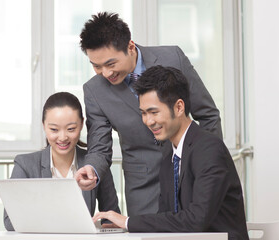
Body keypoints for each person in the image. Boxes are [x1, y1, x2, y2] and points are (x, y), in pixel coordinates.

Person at [75, 12, 223, 216]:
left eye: (110, 64)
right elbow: (99, 147)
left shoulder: (173, 58)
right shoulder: (94, 91)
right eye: (96, 66)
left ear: (130, 46)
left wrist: (208, 164)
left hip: (192, 174)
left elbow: (208, 115)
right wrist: (91, 168)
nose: (106, 73)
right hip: (144, 188)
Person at [93, 66, 249, 240]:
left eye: (154, 112)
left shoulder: (209, 149)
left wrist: (129, 222)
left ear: (179, 107)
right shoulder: (170, 157)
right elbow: (166, 219)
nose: (148, 121)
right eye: (143, 113)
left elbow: (196, 221)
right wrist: (129, 227)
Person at [4, 92, 120, 231]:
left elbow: (112, 218)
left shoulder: (95, 165)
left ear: (82, 124)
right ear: (44, 126)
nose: (63, 137)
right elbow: (10, 222)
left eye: (71, 129)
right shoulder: (25, 165)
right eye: (54, 129)